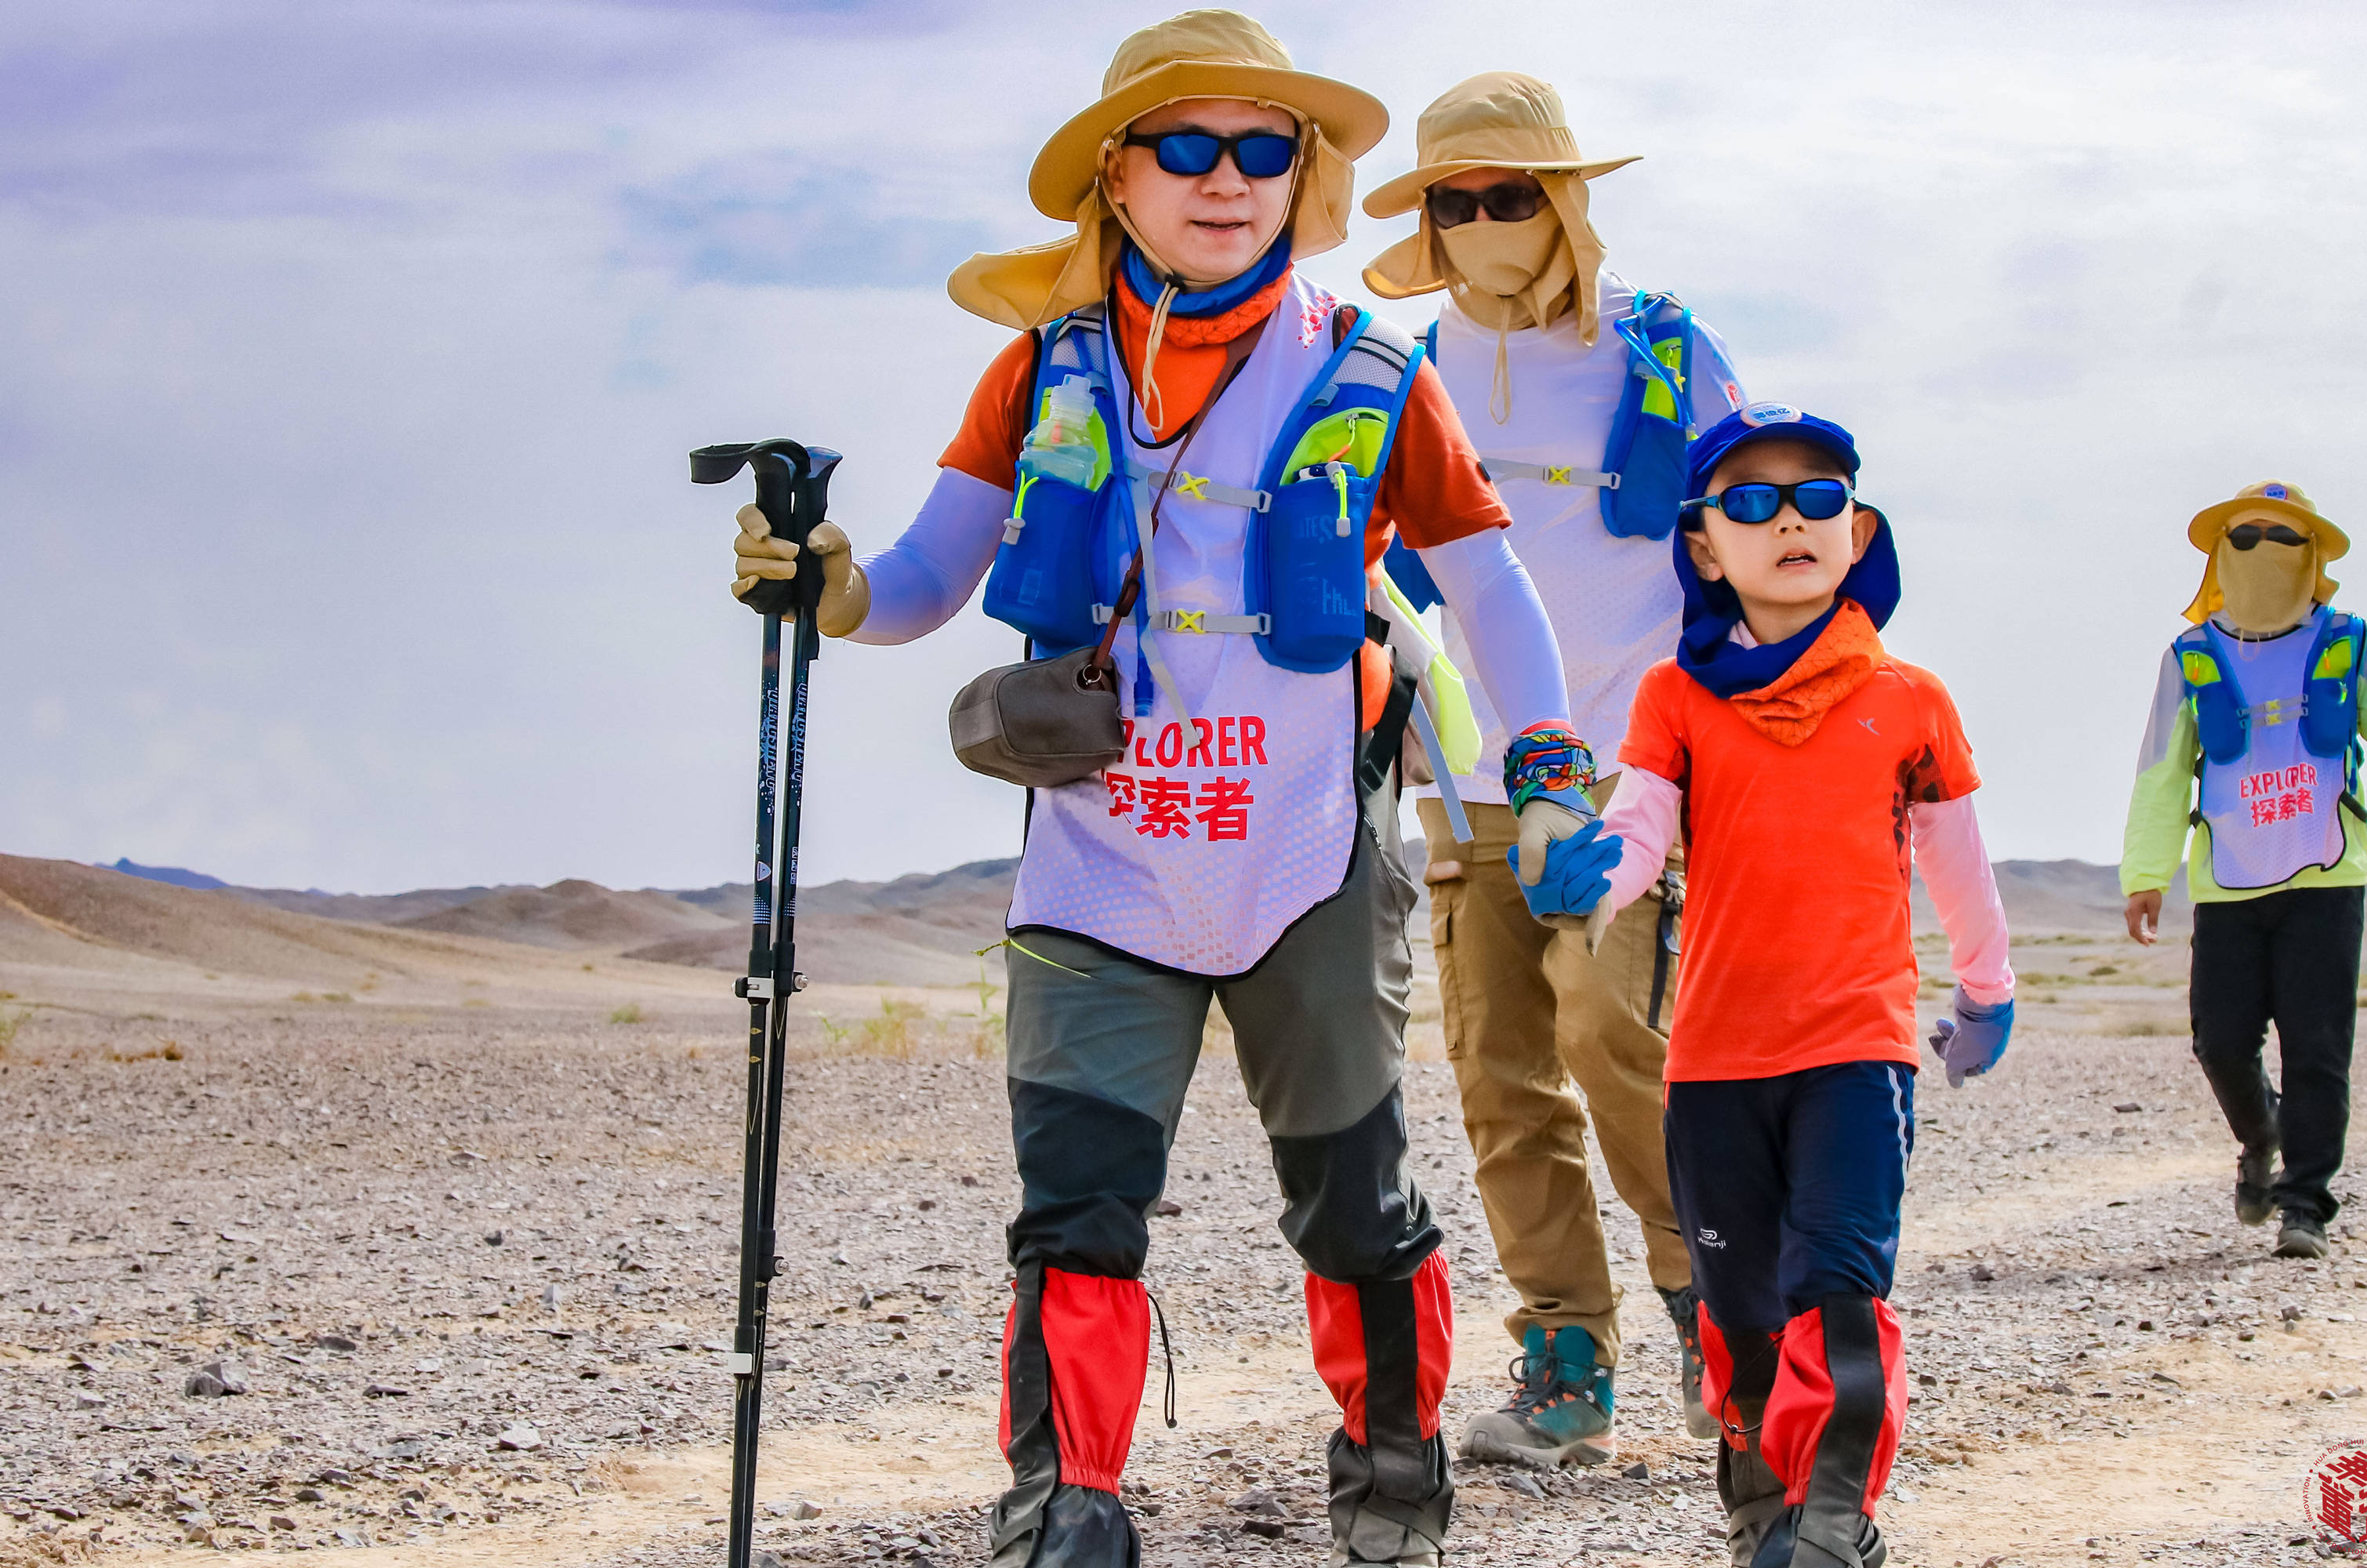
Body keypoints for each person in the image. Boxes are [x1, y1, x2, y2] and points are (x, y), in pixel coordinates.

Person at [722, 13, 1606, 1565]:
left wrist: (1541, 775)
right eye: (1182, 146)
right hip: (1099, 856)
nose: (1225, 177)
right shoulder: (1039, 368)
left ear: (1301, 179)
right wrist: (829, 584)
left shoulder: (1369, 372)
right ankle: (1067, 1495)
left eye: (1262, 148)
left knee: (1356, 1201)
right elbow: (929, 576)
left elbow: (1495, 592)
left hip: (1304, 854)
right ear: (1114, 180)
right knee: (1077, 1205)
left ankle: (1390, 1458)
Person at [1518, 403, 2017, 1568]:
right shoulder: (1674, 699)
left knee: (1837, 1288)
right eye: (1748, 502)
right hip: (1714, 1063)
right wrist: (1592, 874)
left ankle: (1832, 1521)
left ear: (1857, 531)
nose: (1785, 519)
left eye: (1814, 498)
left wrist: (1984, 993)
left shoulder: (1908, 699)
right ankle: (1762, 1515)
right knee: (1740, 1316)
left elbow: (1956, 858)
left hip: (1853, 1048)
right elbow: (1640, 830)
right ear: (1702, 545)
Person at [1356, 71, 1750, 1467]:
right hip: (1467, 780)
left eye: (1508, 195)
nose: (1479, 223)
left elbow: (1751, 543)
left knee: (1610, 1024)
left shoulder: (1669, 354)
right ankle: (1563, 1361)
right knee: (1502, 1068)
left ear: (1565, 202)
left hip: (1641, 773)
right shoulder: (1399, 370)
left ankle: (1711, 1303)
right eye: (1451, 203)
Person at [2119, 481, 2367, 1262]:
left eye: (2282, 537)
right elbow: (2162, 770)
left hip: (2327, 880)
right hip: (2227, 881)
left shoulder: (2351, 640)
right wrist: (2146, 874)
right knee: (2221, 1040)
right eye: (2246, 537)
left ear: (2314, 554)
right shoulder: (2191, 656)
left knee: (2317, 1046)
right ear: (2223, 554)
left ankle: (2305, 1205)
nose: (2263, 551)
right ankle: (2262, 1135)